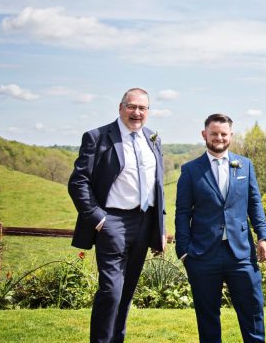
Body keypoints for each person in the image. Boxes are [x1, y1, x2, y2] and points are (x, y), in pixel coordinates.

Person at [68, 87, 166, 343]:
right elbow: (78, 182)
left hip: (144, 223)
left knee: (126, 294)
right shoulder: (97, 137)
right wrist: (100, 219)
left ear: (148, 111)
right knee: (111, 291)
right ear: (120, 107)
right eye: (131, 107)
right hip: (112, 222)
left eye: (142, 108)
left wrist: (160, 226)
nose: (136, 113)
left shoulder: (152, 138)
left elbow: (157, 185)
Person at [175, 114, 266, 342]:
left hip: (241, 253)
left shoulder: (245, 165)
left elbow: (254, 204)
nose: (219, 138)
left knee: (253, 312)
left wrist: (263, 237)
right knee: (207, 317)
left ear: (231, 136)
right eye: (214, 133)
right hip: (202, 254)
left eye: (223, 134)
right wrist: (184, 251)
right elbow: (182, 213)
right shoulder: (190, 170)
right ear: (204, 134)